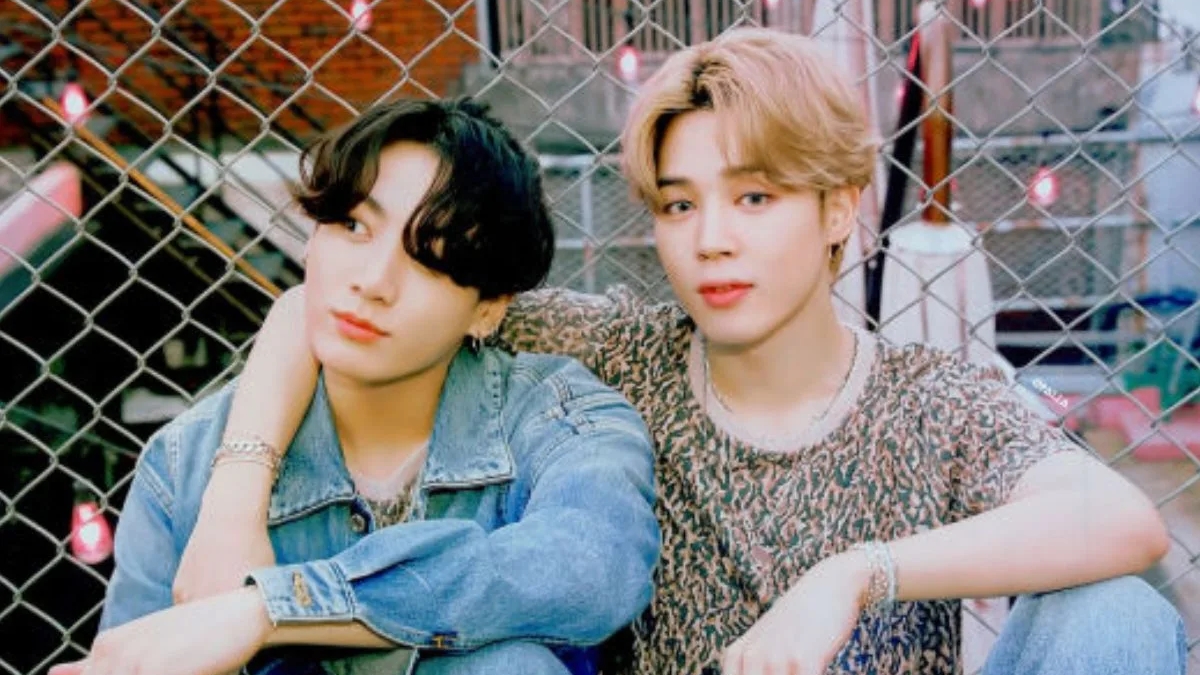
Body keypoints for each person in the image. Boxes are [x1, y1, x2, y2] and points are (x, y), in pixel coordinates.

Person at [173, 28, 1185, 675]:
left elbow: (1120, 519)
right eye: (678, 204)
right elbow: (330, 303)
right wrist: (233, 499)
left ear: (839, 209)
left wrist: (852, 575)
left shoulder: (928, 401)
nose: (712, 241)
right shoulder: (615, 355)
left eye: (755, 197)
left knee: (1116, 616)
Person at [50, 99, 660, 675]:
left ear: (488, 309)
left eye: (429, 256)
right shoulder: (185, 461)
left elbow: (593, 565)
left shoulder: (559, 416)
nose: (373, 281)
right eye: (353, 225)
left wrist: (271, 609)